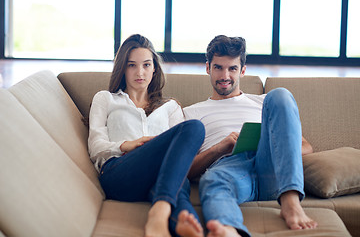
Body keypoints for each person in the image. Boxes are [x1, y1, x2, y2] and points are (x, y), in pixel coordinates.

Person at [179, 35, 318, 237]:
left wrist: (270, 145)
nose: (225, 75)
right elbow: (185, 169)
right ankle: (228, 229)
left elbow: (306, 147)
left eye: (232, 68)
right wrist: (219, 148)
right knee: (213, 179)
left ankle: (290, 200)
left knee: (280, 94)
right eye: (218, 67)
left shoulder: (263, 102)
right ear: (208, 68)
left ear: (242, 70)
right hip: (229, 169)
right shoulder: (191, 113)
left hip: (269, 165)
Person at [88, 34, 205, 237]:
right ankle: (159, 214)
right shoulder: (106, 99)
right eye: (131, 65)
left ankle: (181, 221)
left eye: (146, 65)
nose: (139, 72)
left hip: (161, 177)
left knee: (194, 129)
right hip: (121, 172)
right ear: (122, 68)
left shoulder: (170, 107)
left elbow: (182, 156)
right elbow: (95, 146)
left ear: (154, 68)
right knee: (192, 129)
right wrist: (128, 145)